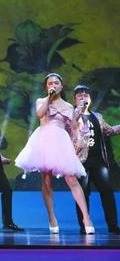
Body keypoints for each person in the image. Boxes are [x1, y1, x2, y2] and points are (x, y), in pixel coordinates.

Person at [15, 73, 95, 234]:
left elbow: (73, 127)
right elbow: (39, 114)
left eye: (56, 83)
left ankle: (86, 218)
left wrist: (79, 139)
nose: (53, 85)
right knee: (46, 180)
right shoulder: (41, 101)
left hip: (61, 141)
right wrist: (49, 98)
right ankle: (52, 217)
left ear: (61, 86)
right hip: (44, 139)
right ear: (46, 87)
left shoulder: (68, 106)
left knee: (71, 179)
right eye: (50, 83)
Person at [72, 85, 120, 235]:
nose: (83, 97)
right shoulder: (72, 115)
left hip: (99, 161)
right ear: (74, 99)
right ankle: (84, 225)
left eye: (86, 95)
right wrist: (79, 110)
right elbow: (71, 125)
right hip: (81, 161)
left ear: (90, 98)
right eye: (79, 95)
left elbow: (109, 130)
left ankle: (113, 225)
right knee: (83, 194)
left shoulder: (97, 116)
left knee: (107, 192)